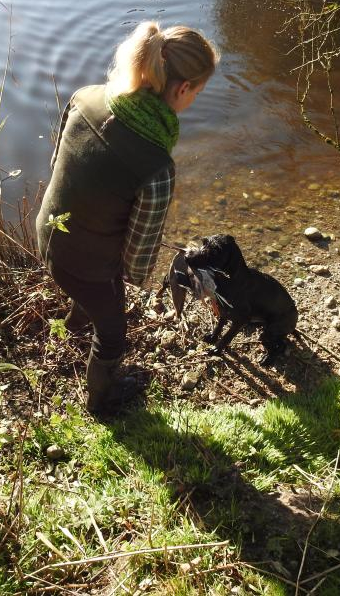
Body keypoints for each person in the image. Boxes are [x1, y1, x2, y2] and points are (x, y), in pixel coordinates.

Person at [36, 21, 218, 415]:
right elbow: (136, 264)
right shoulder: (156, 167)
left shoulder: (86, 97)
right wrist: (132, 280)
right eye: (198, 93)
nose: (194, 99)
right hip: (84, 266)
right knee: (114, 335)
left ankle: (73, 328)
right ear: (183, 88)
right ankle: (99, 405)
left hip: (47, 231)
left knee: (90, 293)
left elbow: (57, 167)